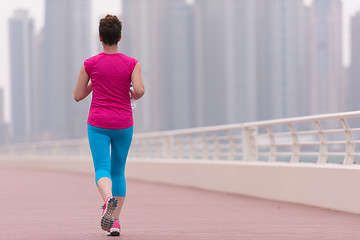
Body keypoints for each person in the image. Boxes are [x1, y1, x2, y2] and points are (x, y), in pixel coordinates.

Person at [73, 14, 145, 236]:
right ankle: (114, 222)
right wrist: (130, 91)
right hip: (124, 123)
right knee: (118, 170)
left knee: (102, 168)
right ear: (120, 37)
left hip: (98, 123)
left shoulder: (90, 64)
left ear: (100, 38)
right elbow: (140, 91)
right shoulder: (132, 63)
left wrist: (95, 84)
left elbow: (77, 95)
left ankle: (107, 200)